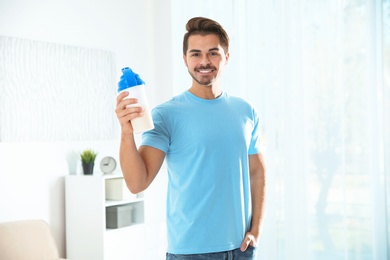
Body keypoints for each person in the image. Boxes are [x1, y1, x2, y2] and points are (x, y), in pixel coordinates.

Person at [115, 16, 266, 260]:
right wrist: (126, 133)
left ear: (226, 57)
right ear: (185, 59)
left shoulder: (246, 111)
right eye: (195, 54)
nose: (204, 61)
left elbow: (257, 172)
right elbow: (137, 182)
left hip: (241, 250)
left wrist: (256, 230)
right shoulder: (166, 115)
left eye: (213, 53)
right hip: (191, 253)